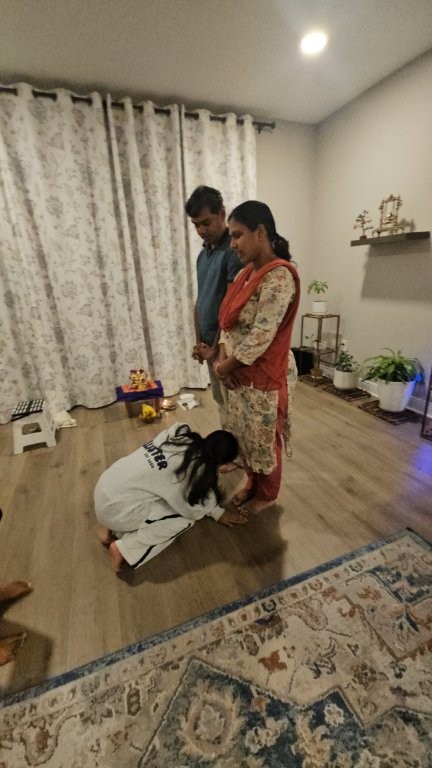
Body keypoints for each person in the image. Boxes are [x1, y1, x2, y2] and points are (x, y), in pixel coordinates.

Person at [213, 201, 300, 516]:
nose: (233, 244)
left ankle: (267, 495)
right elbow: (229, 324)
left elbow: (260, 336)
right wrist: (224, 361)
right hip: (239, 374)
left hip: (264, 377)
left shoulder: (279, 277)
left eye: (238, 235)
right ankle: (252, 484)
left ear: (260, 232)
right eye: (231, 236)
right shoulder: (246, 273)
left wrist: (224, 367)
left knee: (264, 440)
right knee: (246, 436)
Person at [94, 422, 248, 572]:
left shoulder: (179, 434)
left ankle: (109, 527)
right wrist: (216, 500)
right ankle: (124, 549)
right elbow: (195, 510)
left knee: (153, 485)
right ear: (223, 464)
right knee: (184, 520)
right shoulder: (193, 475)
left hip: (106, 487)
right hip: (114, 510)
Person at [185, 186, 242, 425]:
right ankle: (229, 445)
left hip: (227, 347)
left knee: (235, 408)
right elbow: (201, 301)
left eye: (206, 222)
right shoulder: (203, 255)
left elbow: (230, 307)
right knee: (221, 403)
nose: (201, 230)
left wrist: (218, 351)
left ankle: (237, 447)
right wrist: (200, 342)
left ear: (222, 214)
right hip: (210, 345)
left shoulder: (233, 251)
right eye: (196, 225)